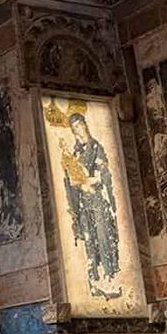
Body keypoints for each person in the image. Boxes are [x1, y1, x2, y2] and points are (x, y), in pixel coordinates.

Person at [61, 112, 121, 298]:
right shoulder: (76, 152)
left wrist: (88, 179)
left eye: (80, 125)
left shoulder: (96, 147)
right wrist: (73, 173)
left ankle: (110, 278)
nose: (78, 130)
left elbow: (103, 174)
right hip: (84, 203)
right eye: (74, 127)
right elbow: (71, 180)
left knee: (103, 239)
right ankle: (95, 282)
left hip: (97, 200)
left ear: (85, 125)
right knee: (89, 241)